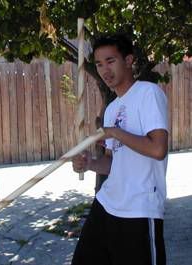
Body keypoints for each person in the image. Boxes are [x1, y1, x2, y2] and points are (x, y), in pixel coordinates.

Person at [71, 34, 168, 265]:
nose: (104, 70)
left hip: (139, 210)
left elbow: (158, 149)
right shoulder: (112, 108)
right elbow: (113, 163)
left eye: (110, 61)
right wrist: (90, 163)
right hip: (107, 204)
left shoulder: (148, 93)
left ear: (128, 60)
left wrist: (113, 132)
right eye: (98, 64)